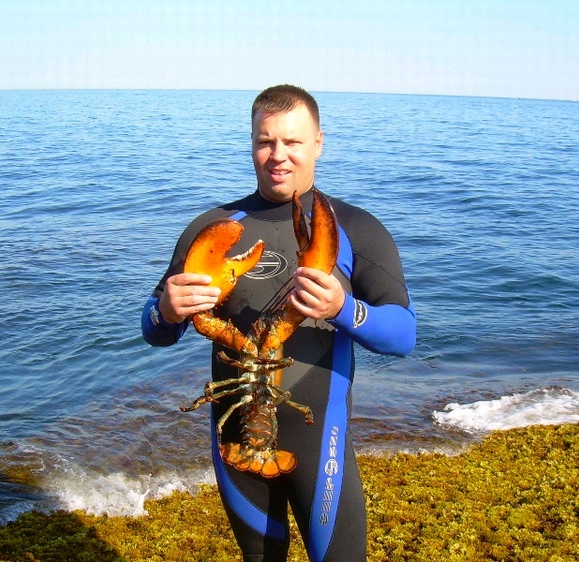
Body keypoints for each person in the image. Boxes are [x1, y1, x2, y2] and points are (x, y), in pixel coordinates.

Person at [142, 84, 416, 562]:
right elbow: (154, 328)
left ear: (318, 143)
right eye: (265, 141)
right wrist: (166, 310)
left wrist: (343, 310)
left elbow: (404, 335)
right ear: (251, 143)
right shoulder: (213, 227)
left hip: (319, 441)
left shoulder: (354, 228)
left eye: (292, 141)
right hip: (236, 443)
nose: (278, 155)